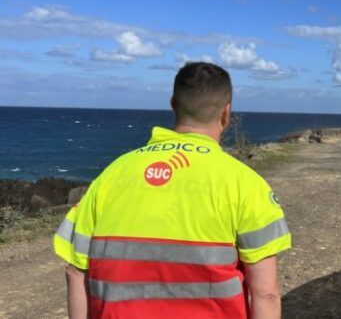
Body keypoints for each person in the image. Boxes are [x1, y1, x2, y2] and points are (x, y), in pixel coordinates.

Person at [53, 62, 291, 319]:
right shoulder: (245, 183)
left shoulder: (111, 175)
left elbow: (76, 273)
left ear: (173, 105)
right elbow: (266, 294)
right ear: (226, 112)